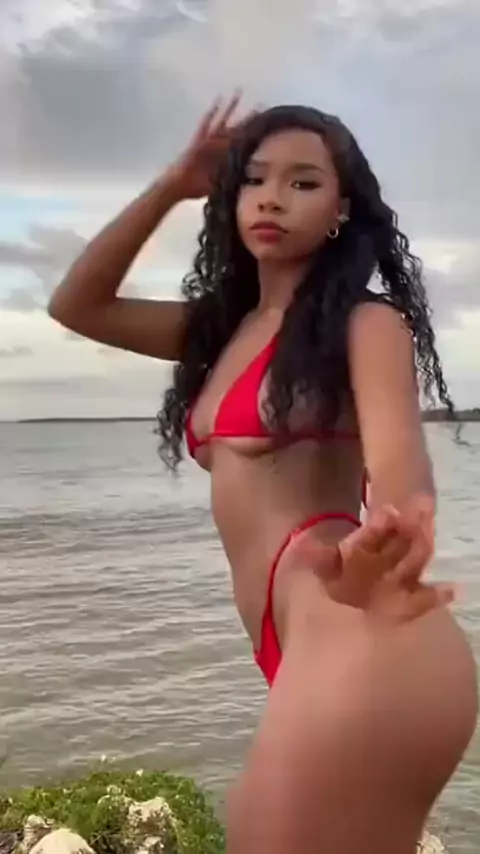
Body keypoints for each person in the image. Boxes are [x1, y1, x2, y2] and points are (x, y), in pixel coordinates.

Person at [48, 95, 477, 854]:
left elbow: (399, 463)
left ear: (342, 210)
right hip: (308, 647)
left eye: (303, 182)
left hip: (361, 626)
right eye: (254, 178)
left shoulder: (365, 323)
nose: (272, 197)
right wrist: (172, 184)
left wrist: (390, 533)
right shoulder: (222, 331)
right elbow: (77, 305)